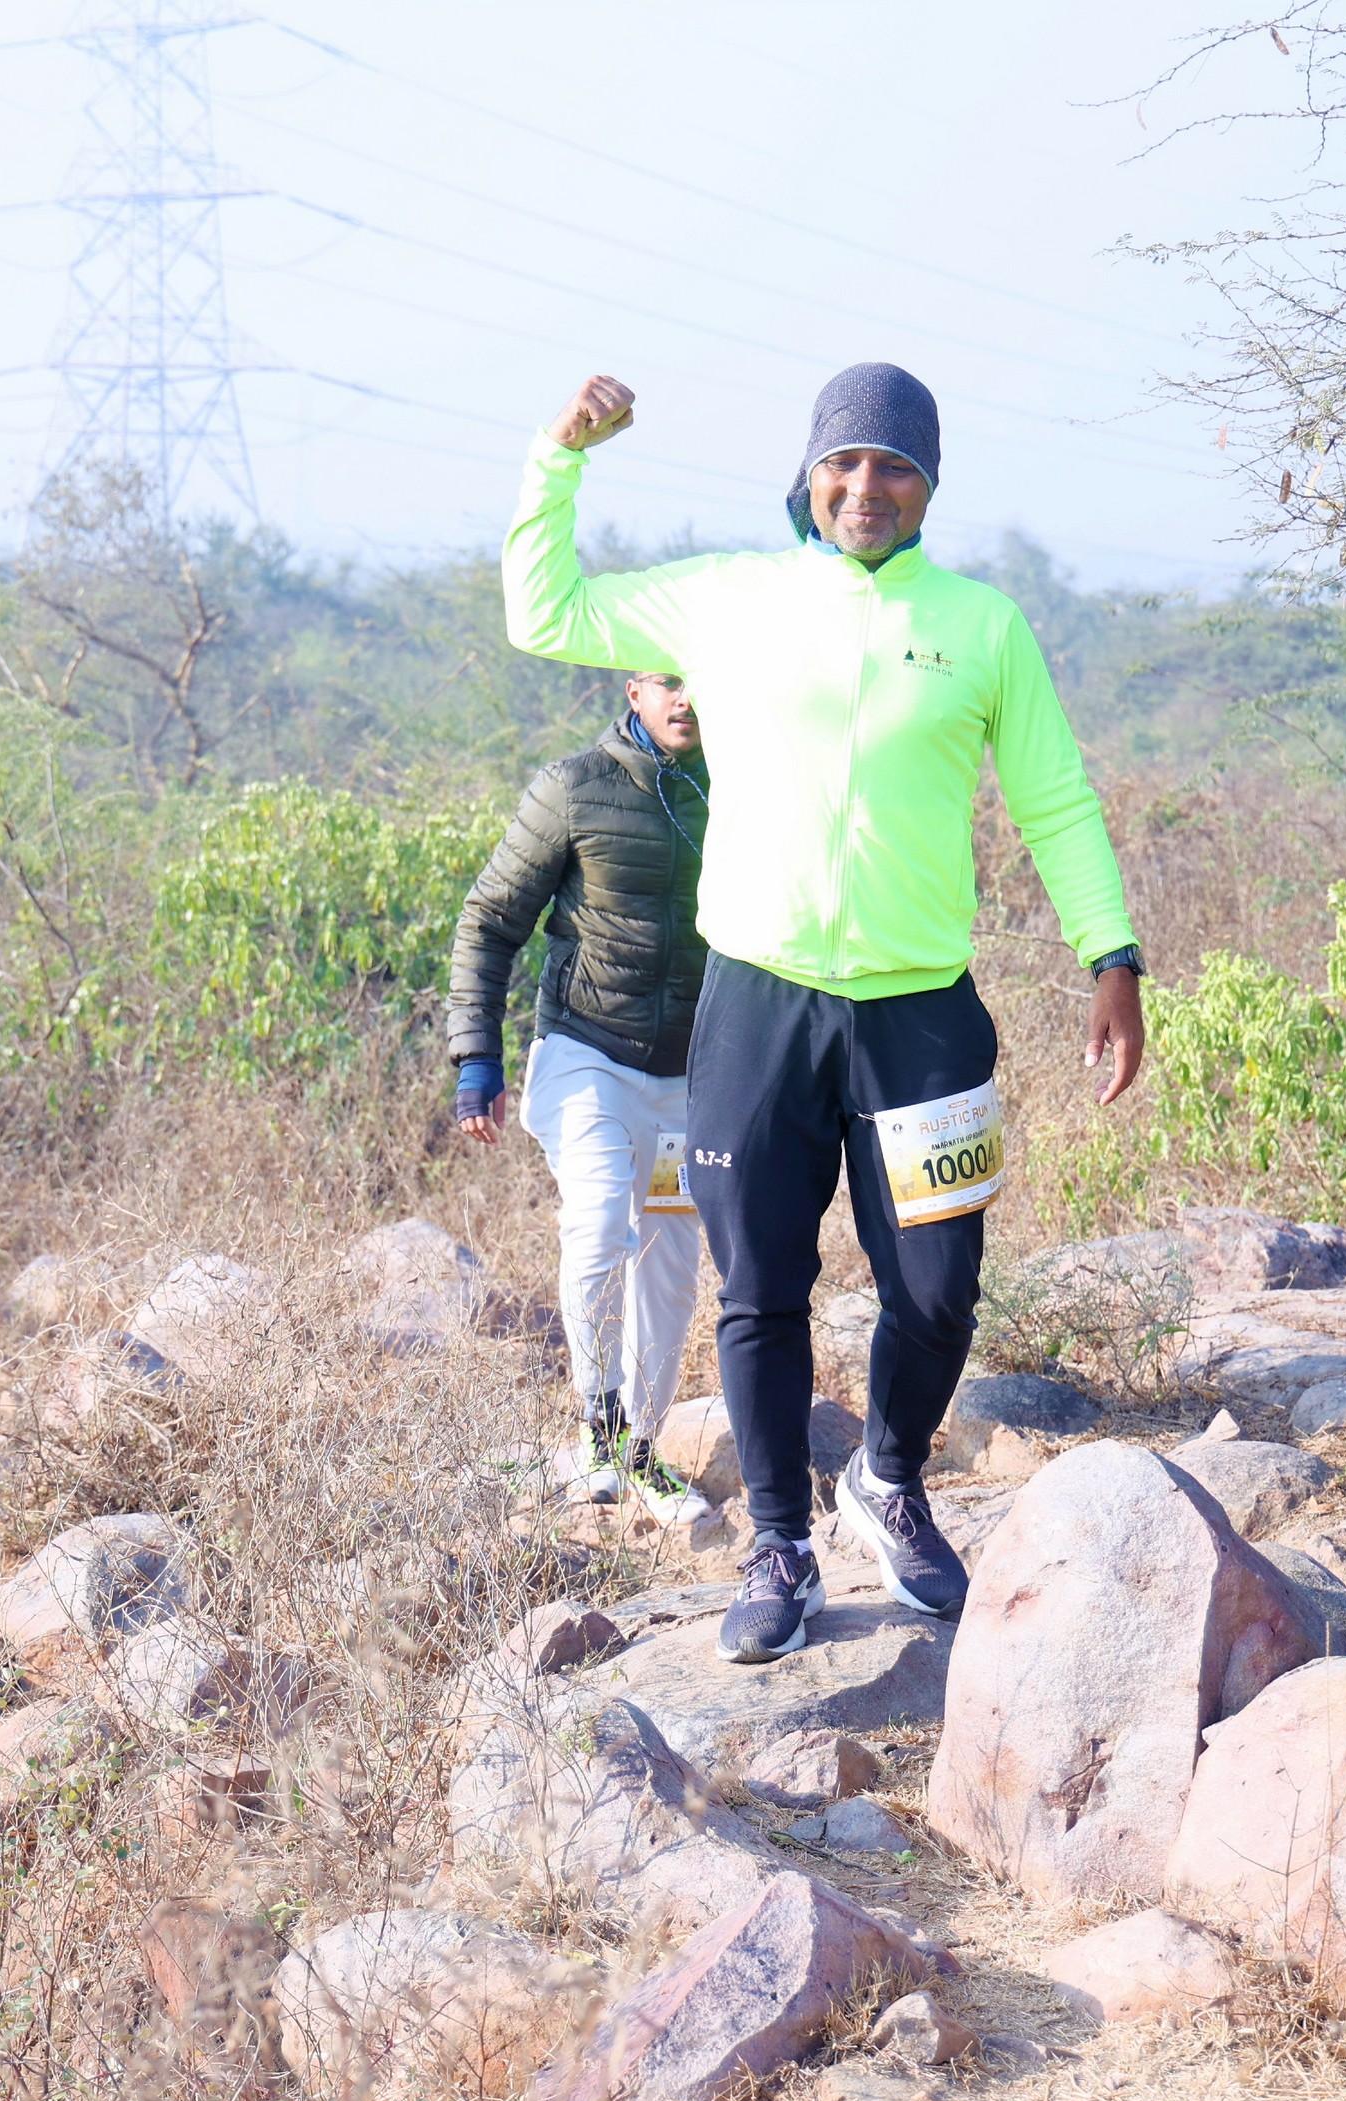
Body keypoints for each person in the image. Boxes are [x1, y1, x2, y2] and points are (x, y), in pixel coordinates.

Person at [502, 364, 1150, 1667]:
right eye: (842, 463)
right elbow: (545, 608)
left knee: (939, 1290)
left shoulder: (980, 626)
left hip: (920, 1015)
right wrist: (558, 453)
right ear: (807, 474)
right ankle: (777, 1546)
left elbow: (1056, 801)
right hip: (756, 1003)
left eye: (893, 466)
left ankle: (887, 1476)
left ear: (928, 485)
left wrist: (1112, 954)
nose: (866, 487)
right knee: (760, 1284)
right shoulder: (727, 597)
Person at [449, 670, 713, 1508]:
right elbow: (489, 919)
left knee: (670, 1263)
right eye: (667, 682)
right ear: (634, 690)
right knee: (600, 1217)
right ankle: (597, 1421)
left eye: (698, 679)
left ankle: (641, 1449)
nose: (685, 699)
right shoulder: (572, 786)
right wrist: (476, 1059)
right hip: (587, 1055)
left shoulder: (738, 786)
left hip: (687, 1079)